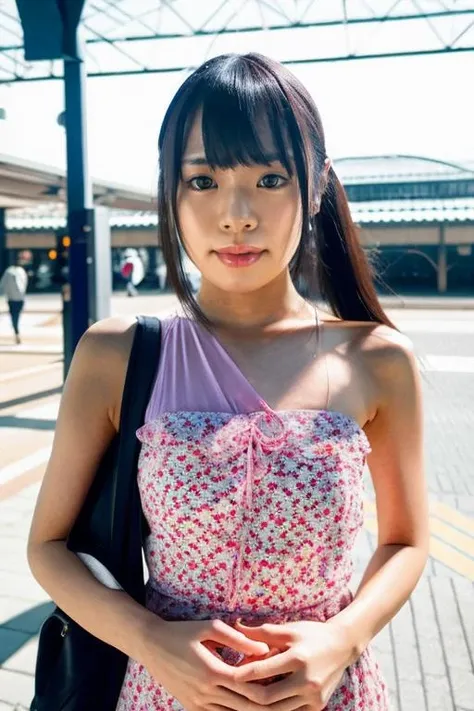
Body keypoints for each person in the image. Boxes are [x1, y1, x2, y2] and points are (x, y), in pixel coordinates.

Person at [27, 53, 429, 711]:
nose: (236, 215)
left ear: (318, 185)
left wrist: (344, 638)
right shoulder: (117, 354)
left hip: (330, 695)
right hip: (165, 693)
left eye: (270, 178)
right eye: (203, 180)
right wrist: (150, 639)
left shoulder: (378, 360)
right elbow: (48, 546)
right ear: (170, 191)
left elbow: (408, 539)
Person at [0, 259, 28, 344]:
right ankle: (16, 330)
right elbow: (24, 284)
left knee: (14, 315)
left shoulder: (8, 272)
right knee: (16, 315)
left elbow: (3, 285)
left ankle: (16, 330)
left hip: (11, 298)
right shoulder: (21, 271)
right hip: (20, 298)